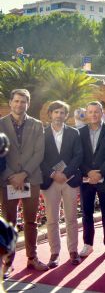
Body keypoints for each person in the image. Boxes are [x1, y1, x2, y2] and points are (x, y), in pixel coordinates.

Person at [0, 89, 47, 275]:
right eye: (17, 101)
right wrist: (11, 175)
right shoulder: (0, 124)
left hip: (31, 179)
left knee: (31, 221)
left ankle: (32, 258)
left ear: (28, 103)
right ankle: (7, 262)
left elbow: (39, 152)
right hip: (7, 179)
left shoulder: (37, 125)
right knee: (8, 222)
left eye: (23, 102)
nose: (19, 105)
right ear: (10, 102)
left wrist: (24, 174)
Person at [40, 101, 83, 267]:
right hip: (50, 181)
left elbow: (78, 155)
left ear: (66, 115)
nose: (59, 115)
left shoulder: (74, 133)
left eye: (62, 112)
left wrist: (64, 174)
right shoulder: (42, 134)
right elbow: (39, 157)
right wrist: (52, 174)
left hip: (69, 180)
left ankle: (73, 251)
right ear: (50, 114)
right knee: (52, 220)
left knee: (71, 218)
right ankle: (54, 253)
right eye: (56, 112)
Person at [78, 101, 105, 258]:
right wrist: (89, 172)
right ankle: (88, 244)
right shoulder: (80, 132)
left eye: (97, 111)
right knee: (87, 212)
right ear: (87, 114)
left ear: (102, 112)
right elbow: (78, 155)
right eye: (90, 112)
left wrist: (100, 173)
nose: (94, 114)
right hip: (86, 178)